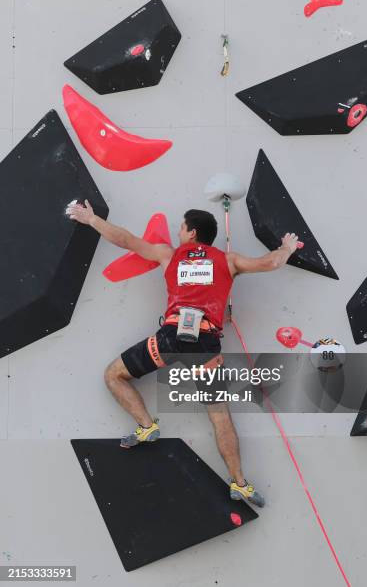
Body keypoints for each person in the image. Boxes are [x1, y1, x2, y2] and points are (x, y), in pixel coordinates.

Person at [67, 201, 300, 508]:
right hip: (206, 345)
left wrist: (91, 218)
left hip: (173, 338)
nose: (178, 231)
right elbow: (270, 263)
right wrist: (287, 247)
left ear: (192, 232)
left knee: (114, 375)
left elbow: (126, 240)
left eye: (181, 227)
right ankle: (239, 484)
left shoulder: (169, 255)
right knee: (220, 417)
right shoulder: (228, 260)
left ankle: (146, 426)